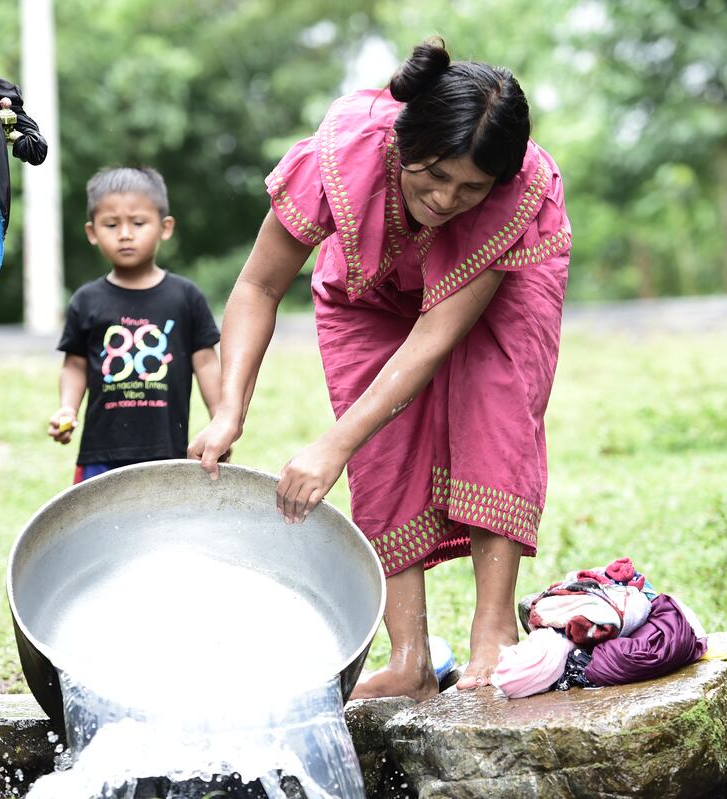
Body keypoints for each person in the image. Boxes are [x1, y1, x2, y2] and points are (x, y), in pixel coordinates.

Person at [188, 40, 571, 701]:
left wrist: (328, 448)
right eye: (433, 174)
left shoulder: (509, 199)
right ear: (402, 143)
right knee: (382, 449)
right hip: (370, 279)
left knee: (494, 406)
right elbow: (257, 286)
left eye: (469, 186)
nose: (448, 197)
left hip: (499, 278)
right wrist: (229, 407)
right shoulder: (338, 158)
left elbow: (434, 339)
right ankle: (411, 656)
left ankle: (491, 637)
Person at [49, 167, 222, 484]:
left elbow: (207, 362)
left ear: (165, 227)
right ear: (92, 232)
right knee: (96, 531)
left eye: (138, 223)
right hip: (101, 455)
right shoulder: (86, 300)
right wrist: (67, 410)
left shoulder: (186, 297)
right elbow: (75, 365)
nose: (125, 234)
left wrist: (220, 421)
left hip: (169, 454)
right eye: (111, 224)